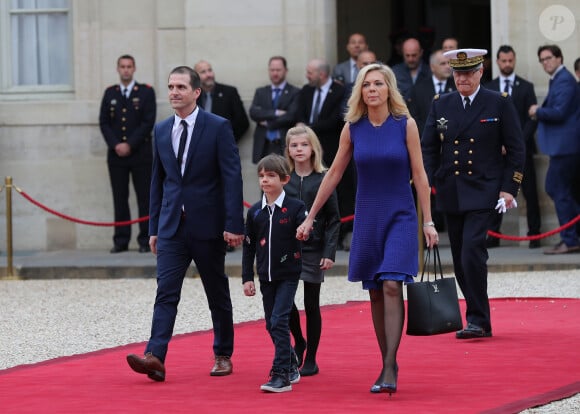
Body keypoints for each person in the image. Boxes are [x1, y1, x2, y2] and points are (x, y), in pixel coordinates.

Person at [296, 63, 438, 395]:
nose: (372, 89)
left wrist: (428, 221)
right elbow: (333, 175)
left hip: (402, 215)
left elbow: (420, 176)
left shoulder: (406, 125)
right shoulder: (353, 128)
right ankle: (386, 359)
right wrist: (310, 215)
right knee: (375, 289)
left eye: (378, 84)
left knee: (391, 283)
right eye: (366, 85)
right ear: (360, 92)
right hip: (368, 216)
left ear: (389, 88)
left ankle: (390, 365)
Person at [126, 66, 244, 382]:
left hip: (208, 225)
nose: (174, 92)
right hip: (170, 228)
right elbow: (158, 181)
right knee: (165, 292)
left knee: (216, 292)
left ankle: (223, 355)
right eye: (170, 86)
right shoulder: (162, 129)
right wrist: (153, 227)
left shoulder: (218, 127)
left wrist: (234, 223)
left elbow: (232, 176)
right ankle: (155, 357)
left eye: (181, 86)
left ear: (196, 92)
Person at [422, 49, 525, 339]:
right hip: (451, 190)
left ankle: (478, 319)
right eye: (457, 73)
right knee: (459, 257)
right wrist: (427, 182)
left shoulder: (498, 103)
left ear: (480, 72)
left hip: (485, 190)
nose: (462, 79)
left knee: (471, 254)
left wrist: (509, 188)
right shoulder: (442, 104)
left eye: (468, 73)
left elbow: (516, 150)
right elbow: (428, 147)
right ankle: (478, 318)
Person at [242, 154, 307, 393]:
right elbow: (249, 247)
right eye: (261, 176)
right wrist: (247, 277)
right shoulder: (256, 212)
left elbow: (306, 226)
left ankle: (281, 374)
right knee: (271, 323)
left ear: (284, 179)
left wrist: (304, 229)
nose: (264, 180)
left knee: (279, 321)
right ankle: (290, 362)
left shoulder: (296, 207)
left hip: (288, 274)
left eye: (270, 176)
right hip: (265, 276)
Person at [284, 126, 340, 377]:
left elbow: (334, 219)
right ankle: (299, 341)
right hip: (286, 249)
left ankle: (312, 359)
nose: (299, 150)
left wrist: (329, 252)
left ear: (313, 148)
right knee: (284, 302)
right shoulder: (284, 178)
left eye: (303, 145)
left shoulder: (324, 178)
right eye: (294, 146)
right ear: (288, 150)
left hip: (314, 249)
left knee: (311, 304)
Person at [485, 45, 541, 249]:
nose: (507, 64)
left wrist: (515, 144)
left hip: (521, 151)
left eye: (510, 61)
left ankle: (535, 234)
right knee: (494, 192)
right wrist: (498, 144)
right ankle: (493, 234)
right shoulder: (489, 87)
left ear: (514, 60)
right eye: (503, 61)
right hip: (496, 153)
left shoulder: (526, 87)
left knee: (530, 192)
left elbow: (532, 119)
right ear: (498, 62)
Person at [99, 54, 156, 253]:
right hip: (116, 156)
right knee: (119, 198)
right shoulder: (110, 93)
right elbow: (104, 122)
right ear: (118, 69)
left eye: (129, 66)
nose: (125, 70)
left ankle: (145, 240)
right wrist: (116, 145)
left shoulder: (146, 92)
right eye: (122, 66)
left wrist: (130, 144)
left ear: (134, 69)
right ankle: (121, 241)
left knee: (144, 198)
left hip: (140, 154)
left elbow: (148, 122)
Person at [296, 59, 353, 250]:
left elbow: (337, 119)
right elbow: (299, 114)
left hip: (333, 149)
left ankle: (338, 236)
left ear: (321, 74)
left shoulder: (341, 91)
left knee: (337, 194)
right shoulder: (305, 91)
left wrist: (308, 128)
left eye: (310, 72)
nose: (307, 76)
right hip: (309, 151)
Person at [529, 45, 580, 254]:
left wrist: (537, 110)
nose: (545, 63)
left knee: (556, 188)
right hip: (563, 147)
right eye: (542, 60)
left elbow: (559, 112)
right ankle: (572, 236)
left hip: (565, 147)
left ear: (559, 58)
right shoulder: (560, 79)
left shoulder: (565, 80)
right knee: (560, 190)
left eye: (548, 58)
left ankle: (570, 239)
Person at [249, 56, 300, 163]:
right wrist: (276, 113)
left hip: (283, 144)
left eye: (278, 70)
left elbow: (291, 116)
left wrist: (268, 122)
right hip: (264, 145)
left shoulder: (295, 92)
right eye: (272, 70)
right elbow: (254, 113)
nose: (275, 73)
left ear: (285, 71)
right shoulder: (261, 91)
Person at [194, 60, 249, 142]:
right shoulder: (193, 96)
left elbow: (243, 122)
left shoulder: (229, 92)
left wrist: (227, 141)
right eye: (203, 72)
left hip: (224, 147)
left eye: (210, 70)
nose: (208, 75)